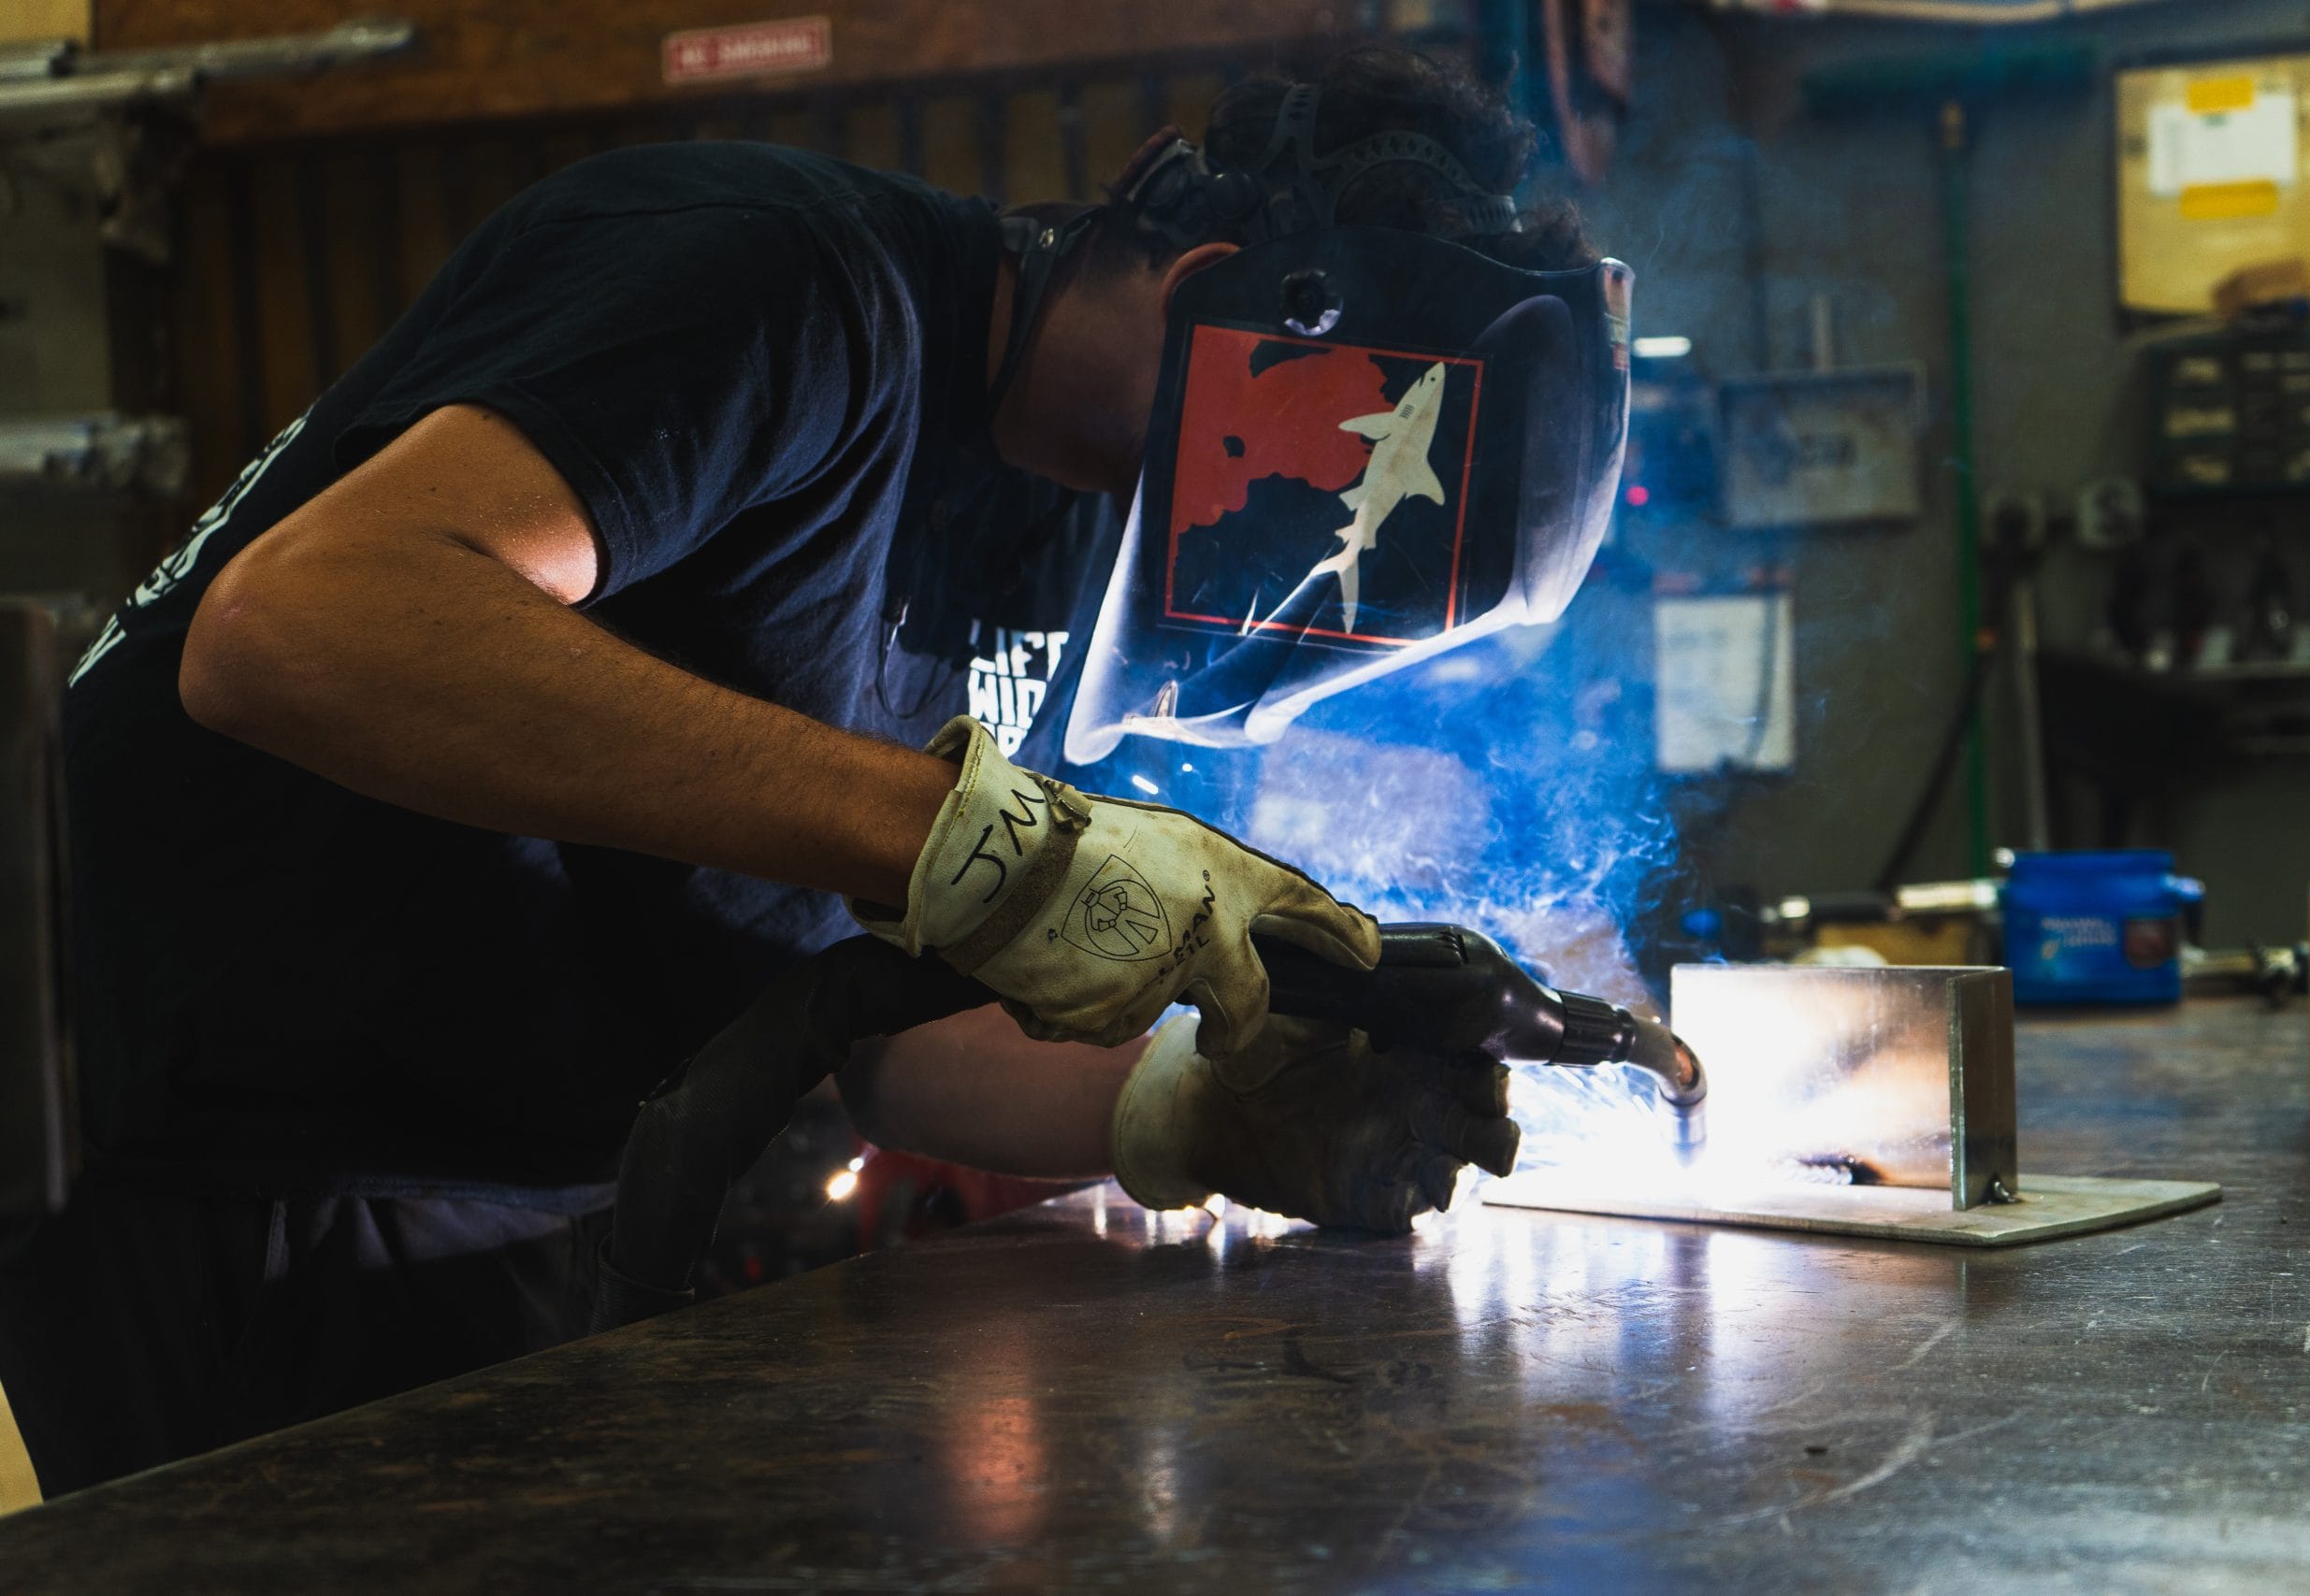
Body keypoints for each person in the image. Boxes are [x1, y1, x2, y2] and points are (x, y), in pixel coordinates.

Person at [0, 45, 1600, 1496]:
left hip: (525, 1178)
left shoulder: (1064, 517)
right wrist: (992, 842)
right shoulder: (780, 279)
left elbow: (890, 1035)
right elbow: (300, 627)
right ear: (1217, 303)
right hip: (237, 1155)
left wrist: (1191, 1110)